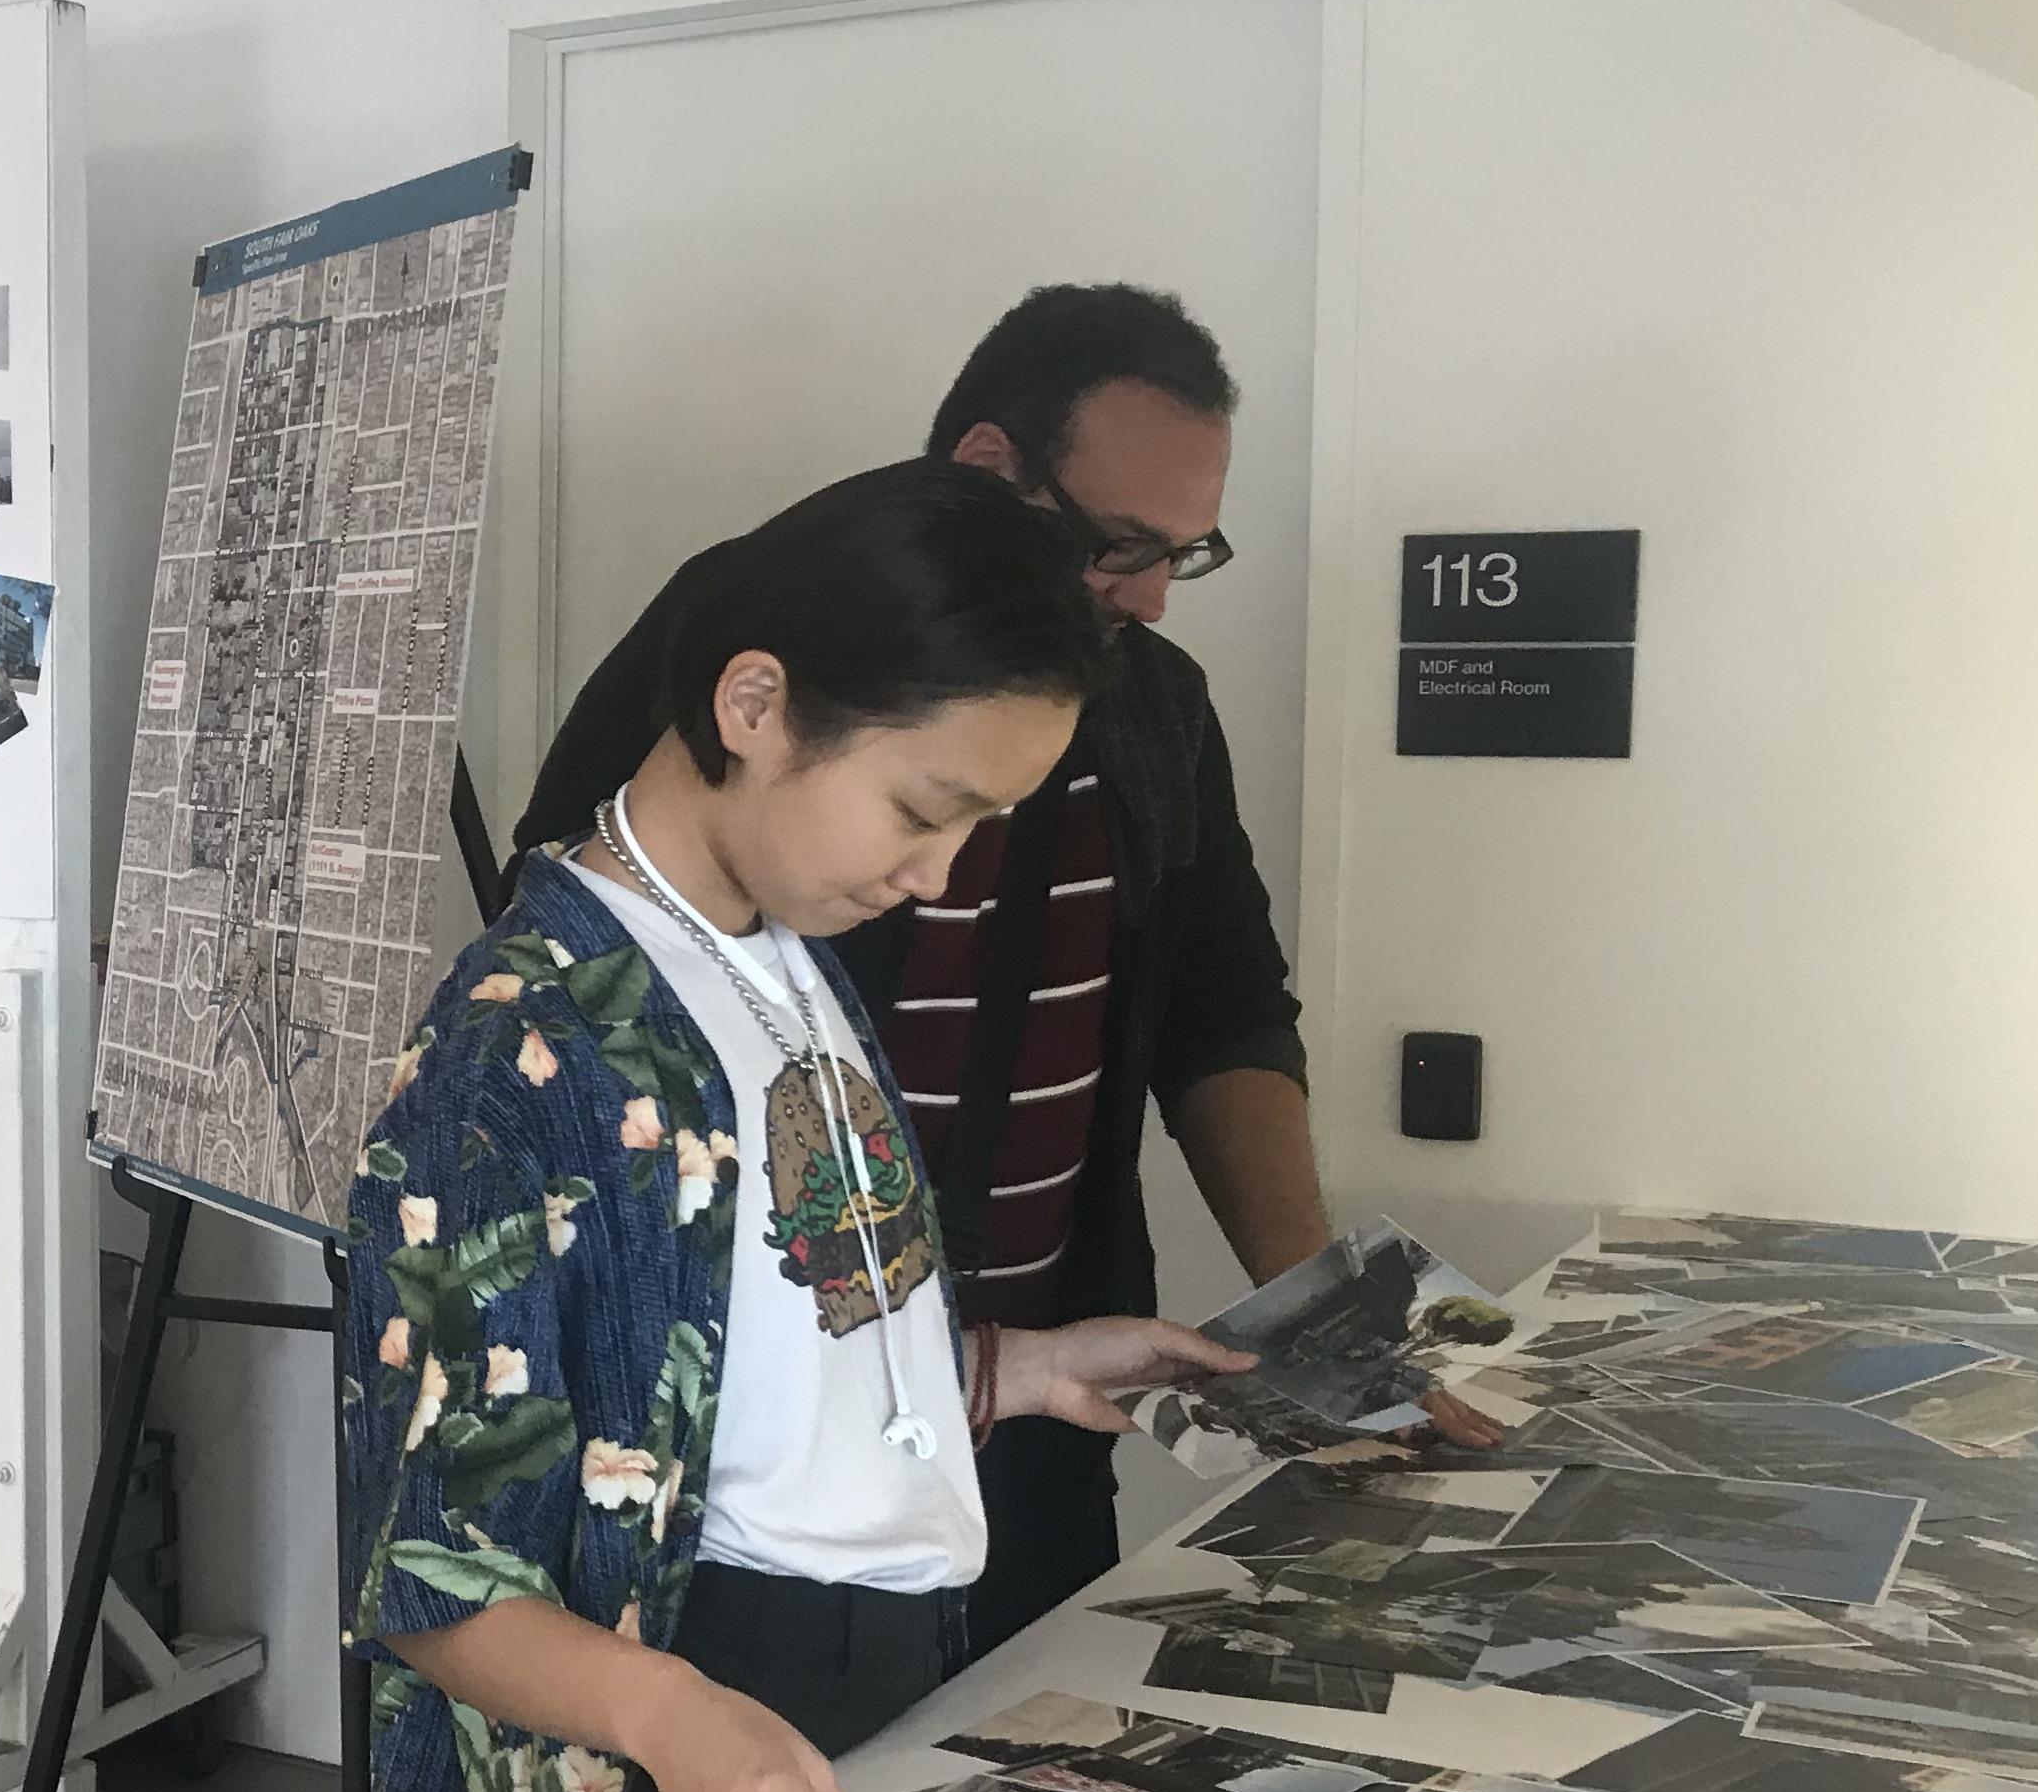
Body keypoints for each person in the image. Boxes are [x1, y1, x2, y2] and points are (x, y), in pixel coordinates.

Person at [347, 463, 1254, 1792]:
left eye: (979, 827)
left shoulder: (777, 951)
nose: (939, 875)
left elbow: (748, 1346)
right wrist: (684, 1724)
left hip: (853, 1680)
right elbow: (428, 1567)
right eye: (925, 810)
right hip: (670, 1730)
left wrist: (1010, 1366)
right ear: (757, 703)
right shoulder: (521, 1056)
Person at [515, 284, 1404, 1662]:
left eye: (1188, 552)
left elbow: (1225, 1008)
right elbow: (608, 1019)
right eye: (1120, 545)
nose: (1154, 597)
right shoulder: (771, 640)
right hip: (762, 1460)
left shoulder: (1151, 701)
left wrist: (1318, 1328)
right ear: (993, 469)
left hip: (1033, 1392)